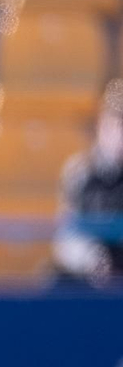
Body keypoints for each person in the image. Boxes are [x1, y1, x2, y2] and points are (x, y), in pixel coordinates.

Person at [53, 96, 123, 285]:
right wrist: (89, 258)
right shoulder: (79, 172)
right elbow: (66, 236)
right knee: (52, 281)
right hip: (89, 265)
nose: (120, 138)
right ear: (101, 129)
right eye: (115, 128)